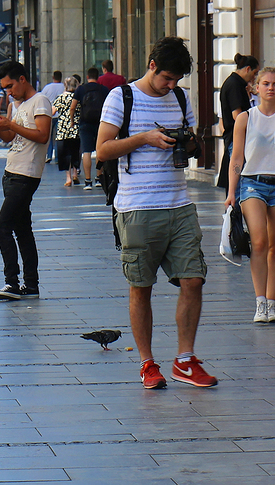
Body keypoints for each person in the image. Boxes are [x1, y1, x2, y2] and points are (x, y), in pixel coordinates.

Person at [97, 37, 216, 390]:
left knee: (193, 279)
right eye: (166, 77)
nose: (171, 85)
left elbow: (193, 141)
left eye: (176, 79)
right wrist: (144, 138)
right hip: (136, 207)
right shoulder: (122, 97)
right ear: (151, 66)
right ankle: (148, 363)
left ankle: (185, 359)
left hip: (178, 204)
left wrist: (189, 142)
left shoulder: (180, 98)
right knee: (141, 287)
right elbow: (102, 149)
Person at [224, 66, 275, 323]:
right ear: (255, 88)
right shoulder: (246, 118)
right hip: (252, 184)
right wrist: (231, 191)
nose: (271, 88)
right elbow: (236, 156)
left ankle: (272, 304)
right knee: (258, 242)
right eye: (266, 84)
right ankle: (260, 302)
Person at [0, 61, 52, 300]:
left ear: (22, 79)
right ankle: (31, 285)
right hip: (11, 170)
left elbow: (43, 136)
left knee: (1, 226)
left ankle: (11, 282)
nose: (9, 92)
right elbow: (11, 136)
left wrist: (9, 123)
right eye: (5, 88)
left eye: (10, 86)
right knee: (23, 229)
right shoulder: (17, 103)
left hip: (26, 173)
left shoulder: (40, 101)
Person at [215, 54, 259, 189]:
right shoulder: (235, 85)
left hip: (234, 136)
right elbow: (237, 115)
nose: (254, 77)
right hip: (237, 137)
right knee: (239, 180)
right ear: (248, 69)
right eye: (254, 73)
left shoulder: (235, 83)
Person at [70, 68, 110, 191]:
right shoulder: (103, 89)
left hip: (85, 123)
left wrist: (72, 121)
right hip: (100, 123)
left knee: (86, 151)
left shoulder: (81, 89)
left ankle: (88, 181)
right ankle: (99, 178)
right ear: (98, 77)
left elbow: (72, 107)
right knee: (99, 149)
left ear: (87, 76)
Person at [53, 75, 82, 187]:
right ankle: (75, 173)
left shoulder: (60, 98)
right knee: (75, 151)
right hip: (75, 128)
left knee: (65, 153)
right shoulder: (78, 97)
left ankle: (68, 178)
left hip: (63, 129)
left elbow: (52, 111)